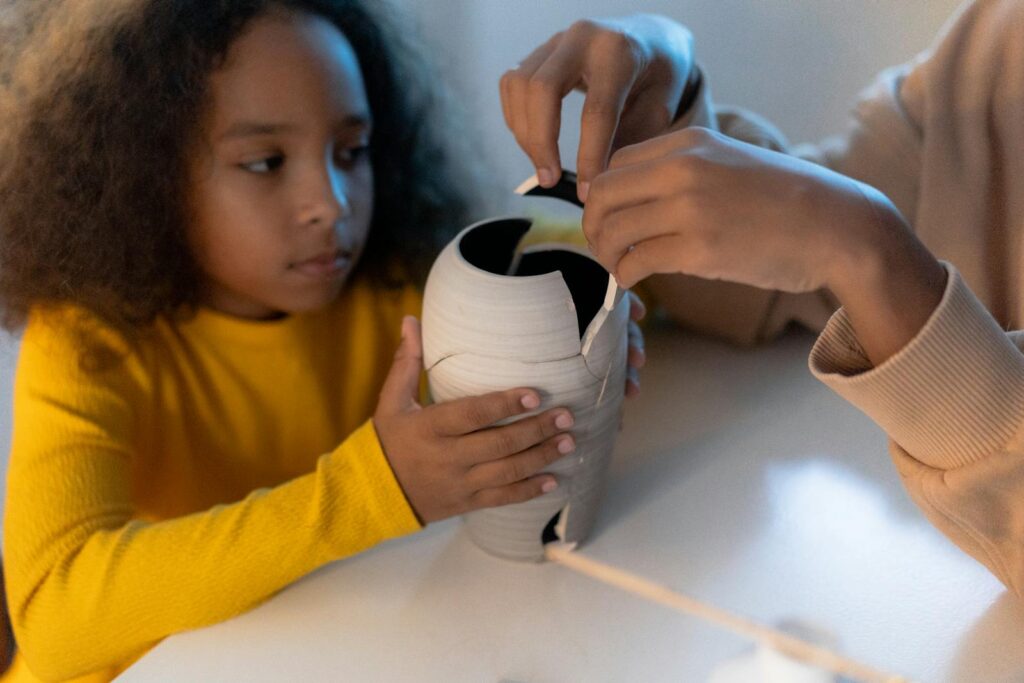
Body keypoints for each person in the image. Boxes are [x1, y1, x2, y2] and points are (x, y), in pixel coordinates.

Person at [0, 1, 647, 680]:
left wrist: (667, 76)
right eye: (266, 161)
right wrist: (373, 488)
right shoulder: (86, 341)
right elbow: (54, 612)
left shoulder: (403, 282)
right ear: (142, 171)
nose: (332, 202)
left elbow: (687, 265)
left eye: (351, 151)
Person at [502, 0, 1024, 599]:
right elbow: (773, 274)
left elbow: (847, 237)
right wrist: (663, 112)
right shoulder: (994, 49)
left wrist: (867, 247)